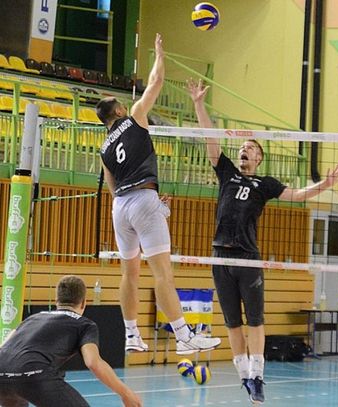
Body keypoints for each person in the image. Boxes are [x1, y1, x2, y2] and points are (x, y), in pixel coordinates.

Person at [188, 78, 338, 404]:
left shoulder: (266, 184)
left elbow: (297, 195)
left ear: (259, 157)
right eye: (242, 148)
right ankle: (245, 377)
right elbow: (210, 139)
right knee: (232, 324)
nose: (244, 150)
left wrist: (324, 185)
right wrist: (199, 104)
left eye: (250, 148)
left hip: (248, 257)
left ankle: (258, 376)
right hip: (220, 257)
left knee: (255, 320)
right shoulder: (226, 172)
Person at [96, 34, 220, 355]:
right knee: (163, 274)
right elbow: (156, 82)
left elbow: (112, 187)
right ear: (119, 109)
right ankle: (184, 336)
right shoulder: (136, 114)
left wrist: (141, 204)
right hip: (141, 200)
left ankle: (131, 335)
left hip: (120, 207)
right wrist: (161, 56)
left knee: (129, 274)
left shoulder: (103, 148)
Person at [0, 275, 142, 407]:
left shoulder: (32, 318)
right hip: (33, 373)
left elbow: (4, 346)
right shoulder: (84, 324)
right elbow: (93, 362)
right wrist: (126, 393)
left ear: (57, 301)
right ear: (84, 302)